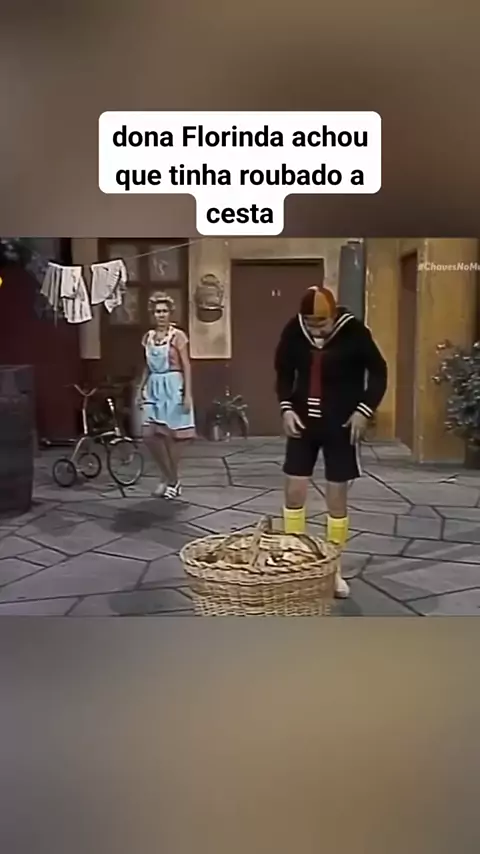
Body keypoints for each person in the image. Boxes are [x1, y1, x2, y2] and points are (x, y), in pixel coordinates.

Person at [274, 284, 388, 598]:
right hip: (302, 424)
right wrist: (285, 408)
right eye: (310, 323)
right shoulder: (294, 331)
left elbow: (379, 372)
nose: (316, 330)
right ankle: (295, 562)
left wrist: (364, 410)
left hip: (341, 424)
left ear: (333, 314)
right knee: (294, 491)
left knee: (336, 498)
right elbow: (283, 372)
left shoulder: (354, 332)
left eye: (321, 323)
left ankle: (333, 568)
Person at [140, 291, 195, 499]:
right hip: (154, 385)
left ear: (170, 313)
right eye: (157, 311)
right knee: (149, 435)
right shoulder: (148, 338)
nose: (161, 315)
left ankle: (171, 481)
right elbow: (146, 366)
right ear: (152, 314)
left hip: (173, 386)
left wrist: (187, 394)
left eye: (164, 311)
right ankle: (169, 477)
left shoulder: (178, 336)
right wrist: (140, 388)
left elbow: (186, 365)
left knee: (172, 437)